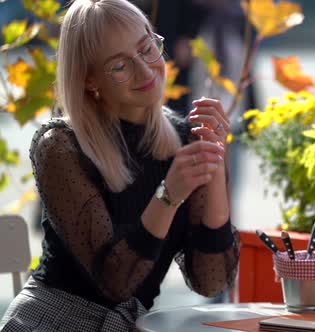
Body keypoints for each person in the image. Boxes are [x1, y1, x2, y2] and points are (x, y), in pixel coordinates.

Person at [0, 0, 239, 330]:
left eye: (147, 49)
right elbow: (115, 282)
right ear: (89, 80)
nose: (145, 70)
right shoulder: (60, 145)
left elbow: (211, 282)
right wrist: (168, 195)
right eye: (119, 66)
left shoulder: (185, 138)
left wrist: (214, 160)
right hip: (52, 322)